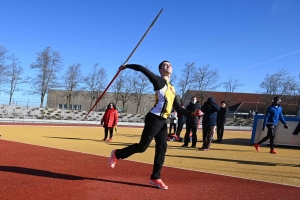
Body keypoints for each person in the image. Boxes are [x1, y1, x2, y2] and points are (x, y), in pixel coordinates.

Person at [108, 61, 202, 190]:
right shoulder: (159, 81)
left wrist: (193, 113)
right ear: (160, 70)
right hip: (154, 118)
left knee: (162, 149)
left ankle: (155, 177)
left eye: (170, 65)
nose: (168, 66)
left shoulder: (172, 88)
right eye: (165, 65)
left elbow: (179, 110)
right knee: (142, 147)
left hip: (163, 121)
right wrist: (126, 66)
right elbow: (141, 68)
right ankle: (117, 154)